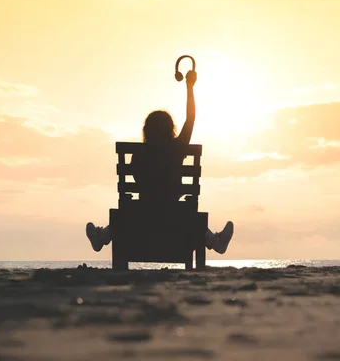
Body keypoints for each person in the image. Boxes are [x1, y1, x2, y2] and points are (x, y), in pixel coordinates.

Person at [86, 69, 234, 254]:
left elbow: (136, 179)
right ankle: (214, 241)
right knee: (188, 212)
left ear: (147, 130)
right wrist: (189, 87)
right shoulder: (177, 147)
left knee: (126, 209)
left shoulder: (138, 154)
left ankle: (102, 237)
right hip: (175, 216)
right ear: (170, 128)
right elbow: (191, 119)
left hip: (141, 216)